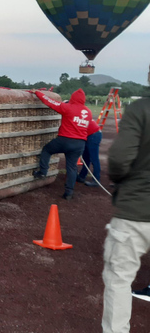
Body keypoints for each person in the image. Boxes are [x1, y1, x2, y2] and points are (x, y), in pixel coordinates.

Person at [101, 64, 150, 333]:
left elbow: (119, 158)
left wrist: (121, 181)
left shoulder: (141, 109)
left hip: (136, 208)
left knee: (119, 279)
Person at [31, 88, 92, 200]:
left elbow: (50, 102)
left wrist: (37, 92)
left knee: (47, 150)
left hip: (65, 140)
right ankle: (69, 192)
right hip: (79, 144)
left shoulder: (68, 107)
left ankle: (43, 171)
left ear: (72, 98)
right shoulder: (88, 112)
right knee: (72, 168)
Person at [77, 119, 102, 187]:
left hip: (93, 135)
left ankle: (96, 180)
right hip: (91, 134)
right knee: (86, 158)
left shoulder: (77, 116)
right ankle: (82, 176)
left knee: (94, 159)